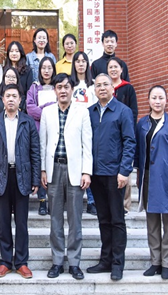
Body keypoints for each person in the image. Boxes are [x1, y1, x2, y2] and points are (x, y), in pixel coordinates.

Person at [40, 73, 92, 280]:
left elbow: (87, 144)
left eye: (66, 87)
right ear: (54, 90)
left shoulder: (82, 112)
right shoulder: (47, 112)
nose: (63, 90)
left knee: (75, 219)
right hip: (54, 169)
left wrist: (86, 171)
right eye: (59, 87)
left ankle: (74, 262)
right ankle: (57, 261)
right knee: (55, 219)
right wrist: (43, 170)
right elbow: (43, 144)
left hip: (75, 171)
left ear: (72, 90)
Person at [0, 84, 40, 279]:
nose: (10, 99)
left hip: (22, 176)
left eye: (14, 96)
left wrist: (35, 178)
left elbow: (35, 151)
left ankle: (22, 262)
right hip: (2, 176)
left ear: (20, 100)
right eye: (7, 96)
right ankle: (6, 261)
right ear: (2, 99)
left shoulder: (27, 121)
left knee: (22, 222)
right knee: (4, 222)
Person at [135, 85, 168, 280]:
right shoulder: (142, 124)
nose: (157, 101)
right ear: (148, 100)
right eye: (154, 98)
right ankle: (155, 262)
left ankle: (166, 263)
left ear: (166, 100)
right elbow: (138, 152)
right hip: (148, 177)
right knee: (152, 224)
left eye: (161, 98)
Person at [87, 74, 135, 281]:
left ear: (112, 87)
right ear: (94, 89)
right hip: (96, 174)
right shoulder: (90, 112)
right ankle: (105, 260)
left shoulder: (123, 111)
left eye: (105, 84)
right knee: (103, 219)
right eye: (98, 85)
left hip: (115, 174)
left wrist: (124, 171)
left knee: (117, 220)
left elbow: (130, 142)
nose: (102, 88)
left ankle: (117, 263)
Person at [27, 56, 57, 215]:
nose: (46, 71)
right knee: (40, 165)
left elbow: (60, 106)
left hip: (56, 130)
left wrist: (43, 108)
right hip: (39, 130)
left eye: (49, 67)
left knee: (52, 165)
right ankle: (42, 201)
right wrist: (47, 111)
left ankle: (53, 200)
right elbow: (30, 108)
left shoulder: (58, 87)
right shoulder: (34, 87)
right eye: (43, 68)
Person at [69, 51, 98, 216]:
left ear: (87, 64)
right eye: (78, 61)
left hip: (89, 128)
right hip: (72, 128)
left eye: (83, 61)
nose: (80, 64)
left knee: (88, 163)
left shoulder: (93, 85)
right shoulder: (69, 83)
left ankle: (92, 201)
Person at [108, 56, 137, 214]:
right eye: (110, 67)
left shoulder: (128, 88)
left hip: (124, 132)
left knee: (125, 169)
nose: (113, 70)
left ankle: (125, 205)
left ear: (121, 70)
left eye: (116, 67)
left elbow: (133, 112)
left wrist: (130, 130)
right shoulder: (104, 88)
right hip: (109, 134)